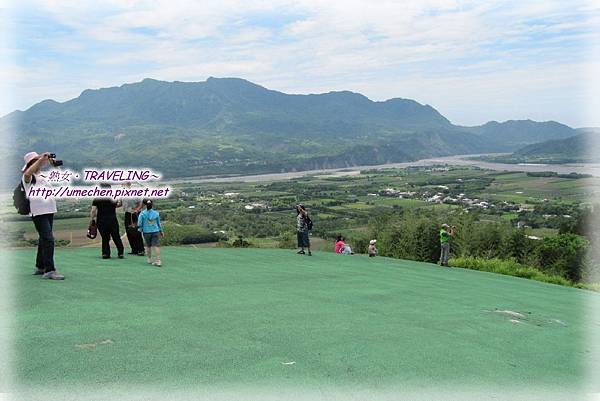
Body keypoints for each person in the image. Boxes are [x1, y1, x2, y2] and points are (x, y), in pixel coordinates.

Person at [21, 152, 65, 280]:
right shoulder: (28, 177)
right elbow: (27, 174)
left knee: (44, 238)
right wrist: (40, 159)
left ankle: (40, 266)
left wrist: (55, 166)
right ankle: (49, 270)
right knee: (48, 239)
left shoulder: (42, 175)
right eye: (35, 161)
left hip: (49, 209)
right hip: (38, 212)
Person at [91, 184, 125, 259]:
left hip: (101, 220)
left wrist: (93, 219)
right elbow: (118, 205)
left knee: (105, 237)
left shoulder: (97, 198)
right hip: (112, 220)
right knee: (116, 236)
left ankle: (106, 254)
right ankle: (120, 252)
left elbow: (93, 210)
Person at [137, 199, 164, 266]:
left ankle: (149, 259)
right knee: (156, 246)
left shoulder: (142, 213)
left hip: (146, 232)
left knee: (148, 246)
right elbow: (158, 223)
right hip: (155, 231)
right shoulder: (156, 213)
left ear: (145, 205)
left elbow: (139, 224)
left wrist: (139, 229)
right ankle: (158, 261)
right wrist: (161, 231)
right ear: (152, 205)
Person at [121, 182, 145, 256]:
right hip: (127, 214)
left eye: (124, 184)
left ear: (128, 185)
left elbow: (142, 203)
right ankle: (134, 250)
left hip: (135, 214)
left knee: (137, 232)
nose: (122, 186)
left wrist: (137, 210)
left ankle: (141, 250)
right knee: (129, 232)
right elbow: (120, 203)